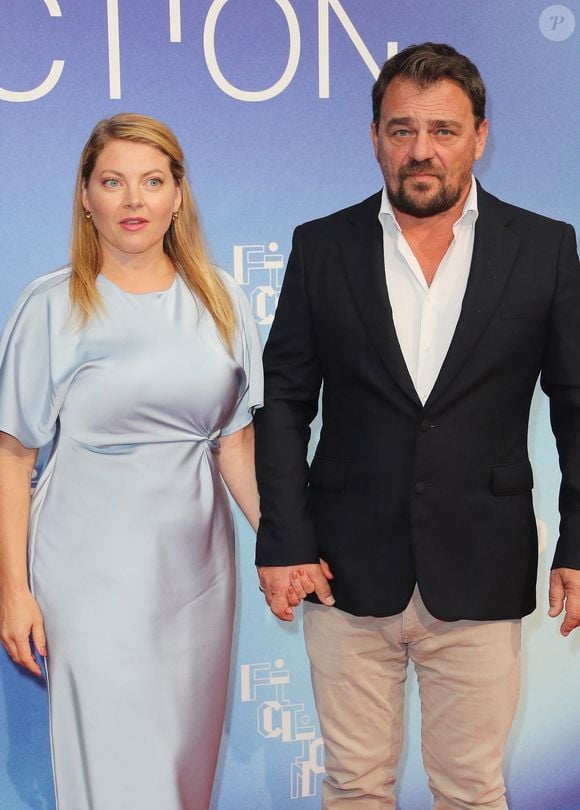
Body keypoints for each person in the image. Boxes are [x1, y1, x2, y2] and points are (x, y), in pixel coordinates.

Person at [254, 42, 580, 809]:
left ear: (480, 136)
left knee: (470, 788)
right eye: (401, 130)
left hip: (482, 562)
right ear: (374, 138)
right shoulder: (321, 246)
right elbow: (285, 401)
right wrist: (285, 539)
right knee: (355, 786)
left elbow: (575, 406)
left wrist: (578, 542)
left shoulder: (544, 248)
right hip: (343, 569)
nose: (421, 150)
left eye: (442, 129)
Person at [0, 113, 263, 810]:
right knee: (113, 768)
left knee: (182, 771)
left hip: (198, 577)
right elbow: (12, 456)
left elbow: (235, 443)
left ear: (179, 194)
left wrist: (289, 546)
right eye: (113, 182)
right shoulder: (51, 305)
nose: (134, 201)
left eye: (152, 181)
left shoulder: (224, 302)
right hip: (86, 578)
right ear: (86, 196)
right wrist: (14, 590)